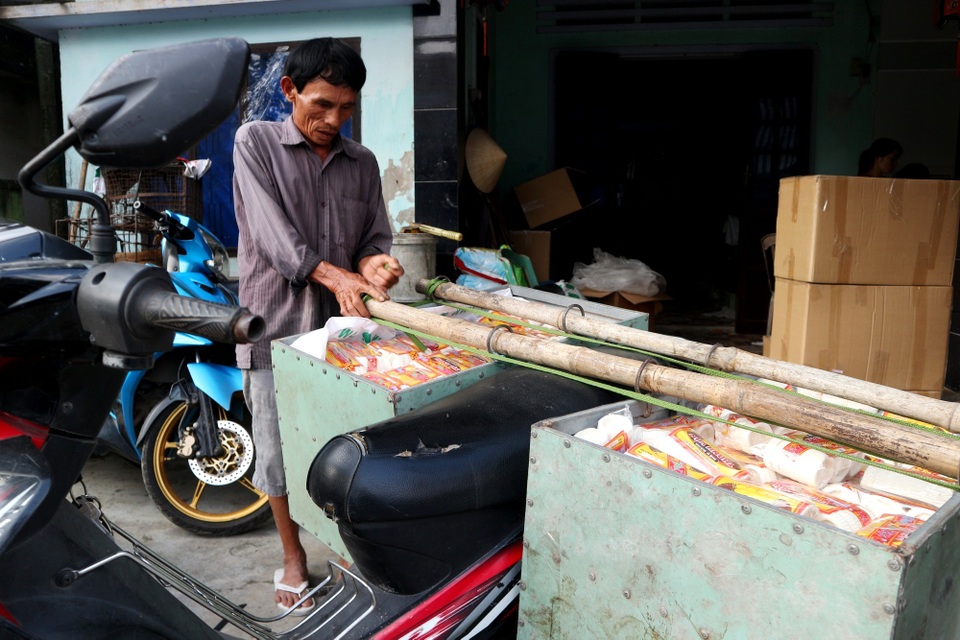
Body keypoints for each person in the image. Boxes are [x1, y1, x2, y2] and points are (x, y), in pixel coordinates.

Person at [232, 37, 404, 615]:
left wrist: (375, 263)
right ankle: (292, 558)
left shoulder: (364, 164)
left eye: (347, 108)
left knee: (351, 449)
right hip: (274, 326)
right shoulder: (254, 143)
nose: (334, 120)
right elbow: (278, 243)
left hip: (346, 336)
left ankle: (350, 554)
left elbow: (374, 242)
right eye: (322, 105)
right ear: (289, 92)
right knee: (279, 453)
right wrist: (335, 276)